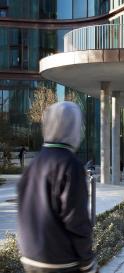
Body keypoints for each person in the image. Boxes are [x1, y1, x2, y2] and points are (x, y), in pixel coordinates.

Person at [17, 102, 98, 273]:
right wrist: (88, 261)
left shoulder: (35, 163)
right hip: (60, 261)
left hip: (30, 256)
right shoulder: (70, 165)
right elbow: (76, 219)